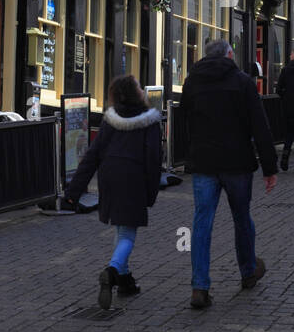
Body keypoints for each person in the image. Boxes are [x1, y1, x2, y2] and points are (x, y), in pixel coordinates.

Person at [180, 39, 278, 310]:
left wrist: (188, 155)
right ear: (229, 54)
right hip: (237, 162)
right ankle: (248, 271)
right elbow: (260, 125)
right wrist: (270, 168)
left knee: (202, 223)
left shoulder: (192, 82)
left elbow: (184, 121)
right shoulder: (243, 82)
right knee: (242, 217)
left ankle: (199, 286)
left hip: (203, 163)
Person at [64, 76, 163, 308]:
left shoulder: (110, 120)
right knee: (128, 233)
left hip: (109, 176)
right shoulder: (150, 121)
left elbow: (92, 155)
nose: (142, 88)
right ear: (133, 93)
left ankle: (126, 281)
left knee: (120, 226)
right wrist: (152, 192)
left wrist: (73, 191)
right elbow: (153, 159)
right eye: (138, 86)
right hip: (134, 177)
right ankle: (112, 271)